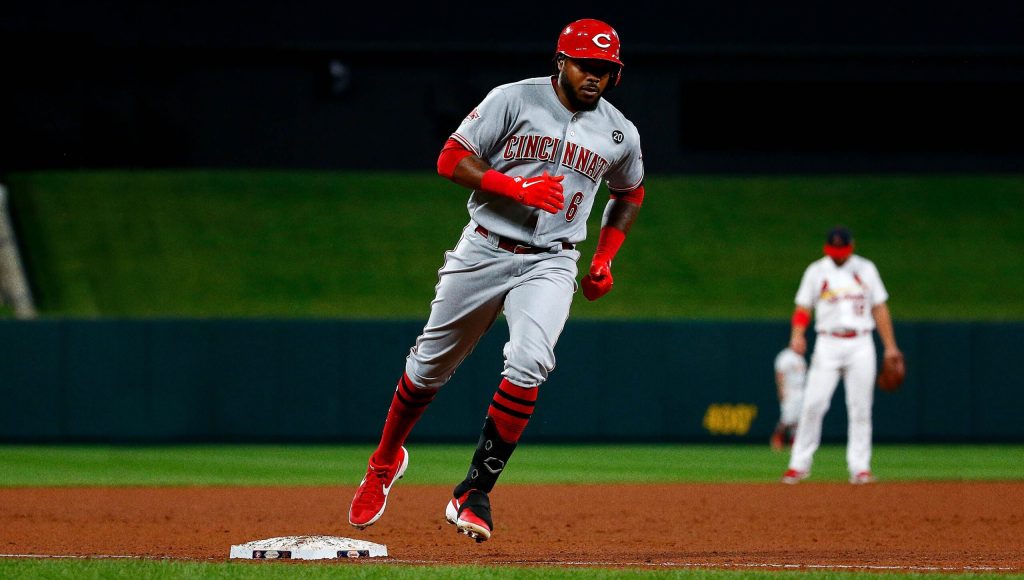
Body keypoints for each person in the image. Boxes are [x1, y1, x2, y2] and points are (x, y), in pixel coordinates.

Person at [347, 18, 645, 542]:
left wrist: (605, 258)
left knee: (531, 362)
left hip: (553, 259)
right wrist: (514, 187)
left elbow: (630, 192)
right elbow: (450, 158)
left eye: (605, 68)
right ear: (561, 62)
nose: (594, 76)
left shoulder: (620, 132)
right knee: (426, 370)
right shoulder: (513, 99)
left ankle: (474, 491)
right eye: (584, 65)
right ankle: (384, 460)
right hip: (485, 246)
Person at [781, 225, 902, 485]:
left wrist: (890, 346)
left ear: (852, 246)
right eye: (833, 250)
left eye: (841, 249)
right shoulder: (816, 271)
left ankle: (860, 468)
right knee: (813, 404)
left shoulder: (866, 269)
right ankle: (798, 465)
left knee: (860, 407)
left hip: (861, 342)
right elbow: (803, 307)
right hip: (828, 342)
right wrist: (797, 334)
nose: (837, 254)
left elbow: (879, 308)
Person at [770, 345, 806, 451]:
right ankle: (777, 437)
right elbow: (779, 374)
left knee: (798, 418)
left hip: (801, 390)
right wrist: (781, 390)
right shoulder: (785, 356)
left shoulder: (800, 358)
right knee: (787, 418)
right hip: (790, 390)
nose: (803, 347)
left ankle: (793, 441)